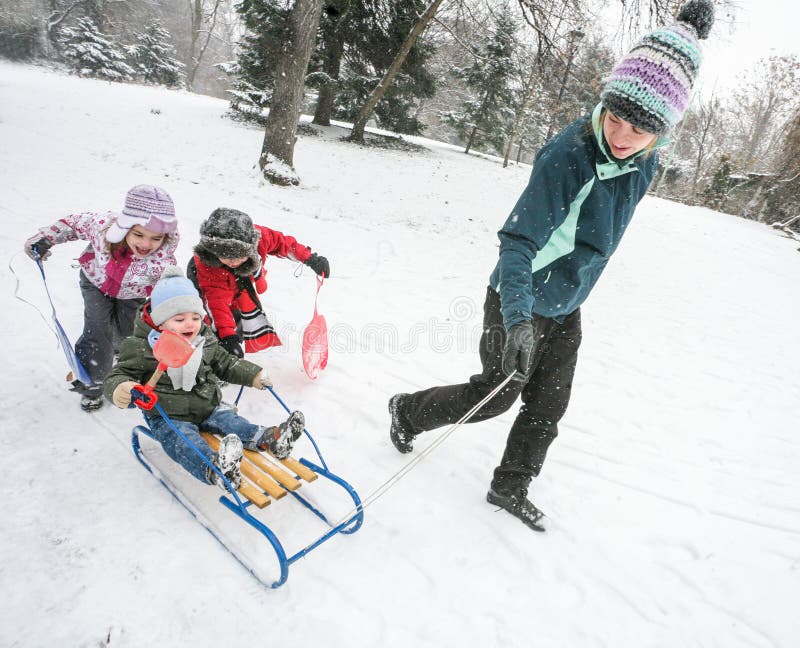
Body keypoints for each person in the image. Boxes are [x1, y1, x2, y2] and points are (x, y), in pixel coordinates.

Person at [388, 0, 715, 532]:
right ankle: (407, 411)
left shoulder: (645, 162)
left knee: (549, 405)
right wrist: (517, 318)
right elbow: (517, 242)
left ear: (664, 132)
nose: (622, 133)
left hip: (568, 302)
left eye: (641, 127)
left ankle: (510, 484)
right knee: (495, 395)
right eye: (616, 115)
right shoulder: (570, 155)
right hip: (519, 294)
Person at [103, 266, 305, 489]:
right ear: (160, 322)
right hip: (168, 415)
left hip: (207, 404)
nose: (190, 324)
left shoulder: (203, 338)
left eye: (195, 317)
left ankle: (271, 439)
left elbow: (224, 362)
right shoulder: (141, 347)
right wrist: (121, 388)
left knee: (231, 421)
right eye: (179, 319)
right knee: (182, 441)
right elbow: (119, 374)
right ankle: (216, 468)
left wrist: (253, 374)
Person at [24, 185, 180, 411]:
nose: (146, 245)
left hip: (133, 294)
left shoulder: (162, 260)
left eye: (156, 238)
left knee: (130, 334)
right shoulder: (102, 228)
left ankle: (121, 365)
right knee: (97, 330)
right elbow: (74, 223)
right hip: (95, 282)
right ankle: (93, 383)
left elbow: (170, 289)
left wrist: (178, 313)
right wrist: (47, 238)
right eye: (138, 234)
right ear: (125, 226)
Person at [188, 207, 330, 358]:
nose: (234, 262)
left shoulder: (260, 239)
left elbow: (284, 244)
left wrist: (310, 259)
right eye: (228, 257)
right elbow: (217, 302)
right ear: (215, 252)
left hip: (240, 281)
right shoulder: (208, 264)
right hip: (207, 280)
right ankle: (214, 354)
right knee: (214, 321)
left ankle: (231, 337)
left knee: (238, 313)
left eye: (240, 256)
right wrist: (228, 338)